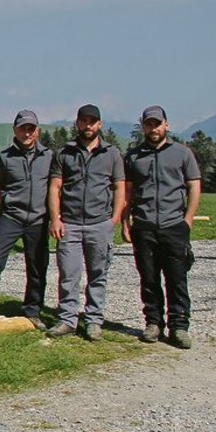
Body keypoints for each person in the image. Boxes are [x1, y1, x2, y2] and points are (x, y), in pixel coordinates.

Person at [122, 105, 202, 349]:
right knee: (148, 279)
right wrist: (125, 221)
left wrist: (187, 220)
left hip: (173, 225)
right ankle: (153, 323)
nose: (153, 128)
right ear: (143, 126)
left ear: (166, 125)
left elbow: (194, 186)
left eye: (157, 124)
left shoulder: (182, 153)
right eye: (148, 124)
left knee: (177, 279)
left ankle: (179, 327)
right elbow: (128, 191)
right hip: (144, 226)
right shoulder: (134, 156)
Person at [47, 104, 126, 341]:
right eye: (84, 121)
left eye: (92, 121)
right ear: (78, 123)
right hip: (69, 223)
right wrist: (55, 218)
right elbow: (55, 187)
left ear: (99, 125)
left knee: (98, 274)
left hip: (99, 223)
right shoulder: (64, 153)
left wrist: (115, 217)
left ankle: (93, 321)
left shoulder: (112, 154)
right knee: (69, 275)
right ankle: (68, 319)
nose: (88, 125)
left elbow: (119, 186)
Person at [0, 109, 52, 330]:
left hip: (38, 220)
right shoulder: (5, 157)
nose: (27, 133)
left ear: (37, 131)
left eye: (31, 128)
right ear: (15, 130)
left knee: (37, 266)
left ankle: (32, 311)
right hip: (10, 218)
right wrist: (7, 204)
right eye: (22, 128)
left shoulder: (49, 157)